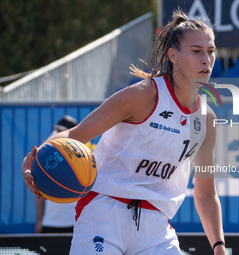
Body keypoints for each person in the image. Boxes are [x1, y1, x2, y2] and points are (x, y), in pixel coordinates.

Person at [22, 9, 227, 255]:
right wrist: (36, 156)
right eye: (197, 51)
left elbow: (205, 194)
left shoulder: (206, 121)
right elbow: (75, 135)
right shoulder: (141, 96)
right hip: (104, 212)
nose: (207, 59)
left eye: (211, 51)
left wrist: (219, 247)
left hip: (156, 228)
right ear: (173, 55)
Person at [35, 115, 78, 233]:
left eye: (63, 131)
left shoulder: (83, 159)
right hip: (50, 223)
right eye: (58, 131)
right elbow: (38, 192)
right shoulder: (47, 157)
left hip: (75, 223)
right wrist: (40, 220)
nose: (60, 134)